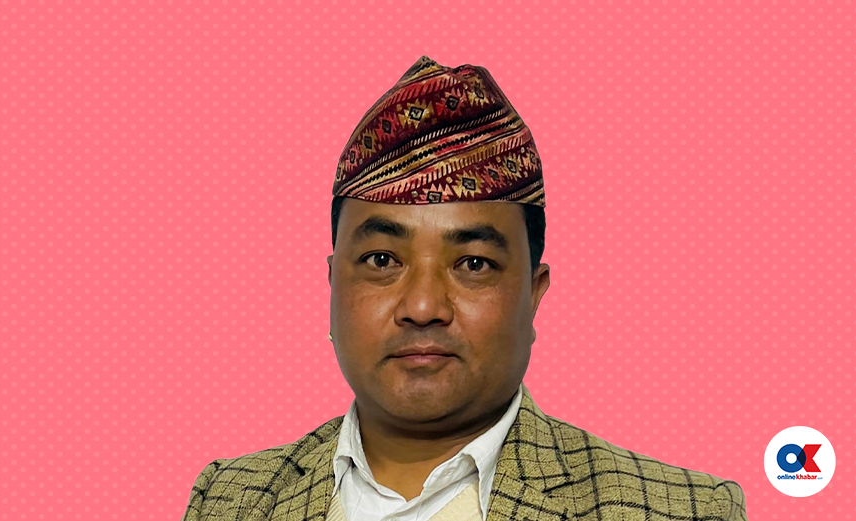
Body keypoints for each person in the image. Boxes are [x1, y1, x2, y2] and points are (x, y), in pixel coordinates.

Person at [182, 55, 748, 521]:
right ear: (333, 285)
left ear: (534, 294)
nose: (423, 306)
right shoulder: (229, 500)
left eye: (473, 264)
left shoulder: (684, 511)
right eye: (382, 259)